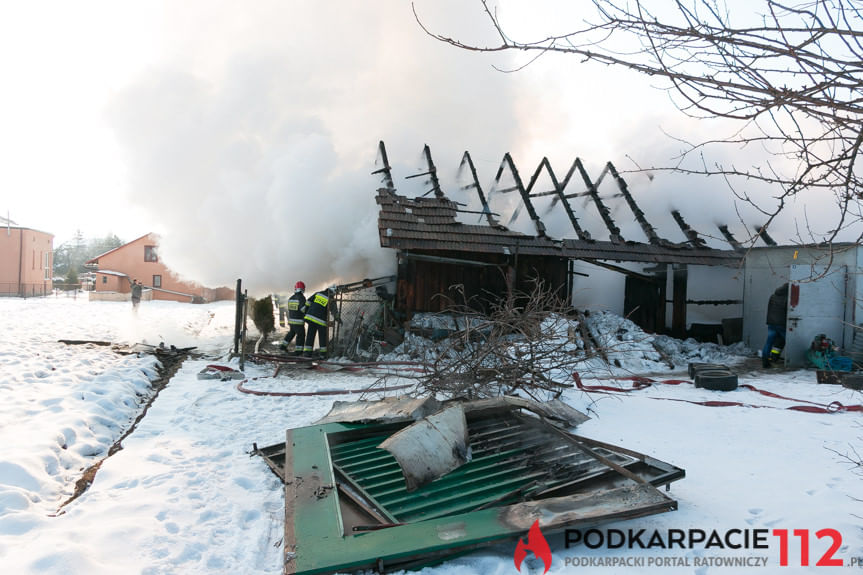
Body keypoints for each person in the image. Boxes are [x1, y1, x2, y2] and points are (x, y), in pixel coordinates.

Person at [302, 286, 340, 358]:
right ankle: (323, 354)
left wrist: (306, 311)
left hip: (311, 318)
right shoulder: (331, 299)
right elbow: (334, 311)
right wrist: (338, 319)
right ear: (333, 292)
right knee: (322, 337)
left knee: (310, 335)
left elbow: (308, 302)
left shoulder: (318, 293)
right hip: (320, 320)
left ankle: (307, 353)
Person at [762, 283, 789, 368]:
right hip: (781, 324)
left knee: (769, 342)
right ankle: (792, 361)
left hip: (771, 323)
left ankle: (765, 361)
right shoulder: (787, 298)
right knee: (790, 342)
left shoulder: (772, 296)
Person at [280, 281, 307, 353]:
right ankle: (298, 351)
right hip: (299, 321)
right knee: (301, 335)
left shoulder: (291, 298)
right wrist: (308, 308)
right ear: (303, 289)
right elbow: (303, 309)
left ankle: (283, 346)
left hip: (292, 321)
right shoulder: (301, 298)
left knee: (291, 333)